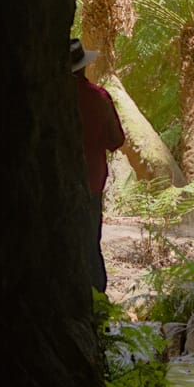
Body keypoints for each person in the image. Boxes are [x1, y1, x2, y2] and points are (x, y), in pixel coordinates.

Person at [72, 36, 125, 293]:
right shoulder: (99, 98)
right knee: (90, 246)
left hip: (54, 187)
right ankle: (97, 309)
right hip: (91, 182)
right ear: (84, 66)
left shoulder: (46, 99)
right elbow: (117, 140)